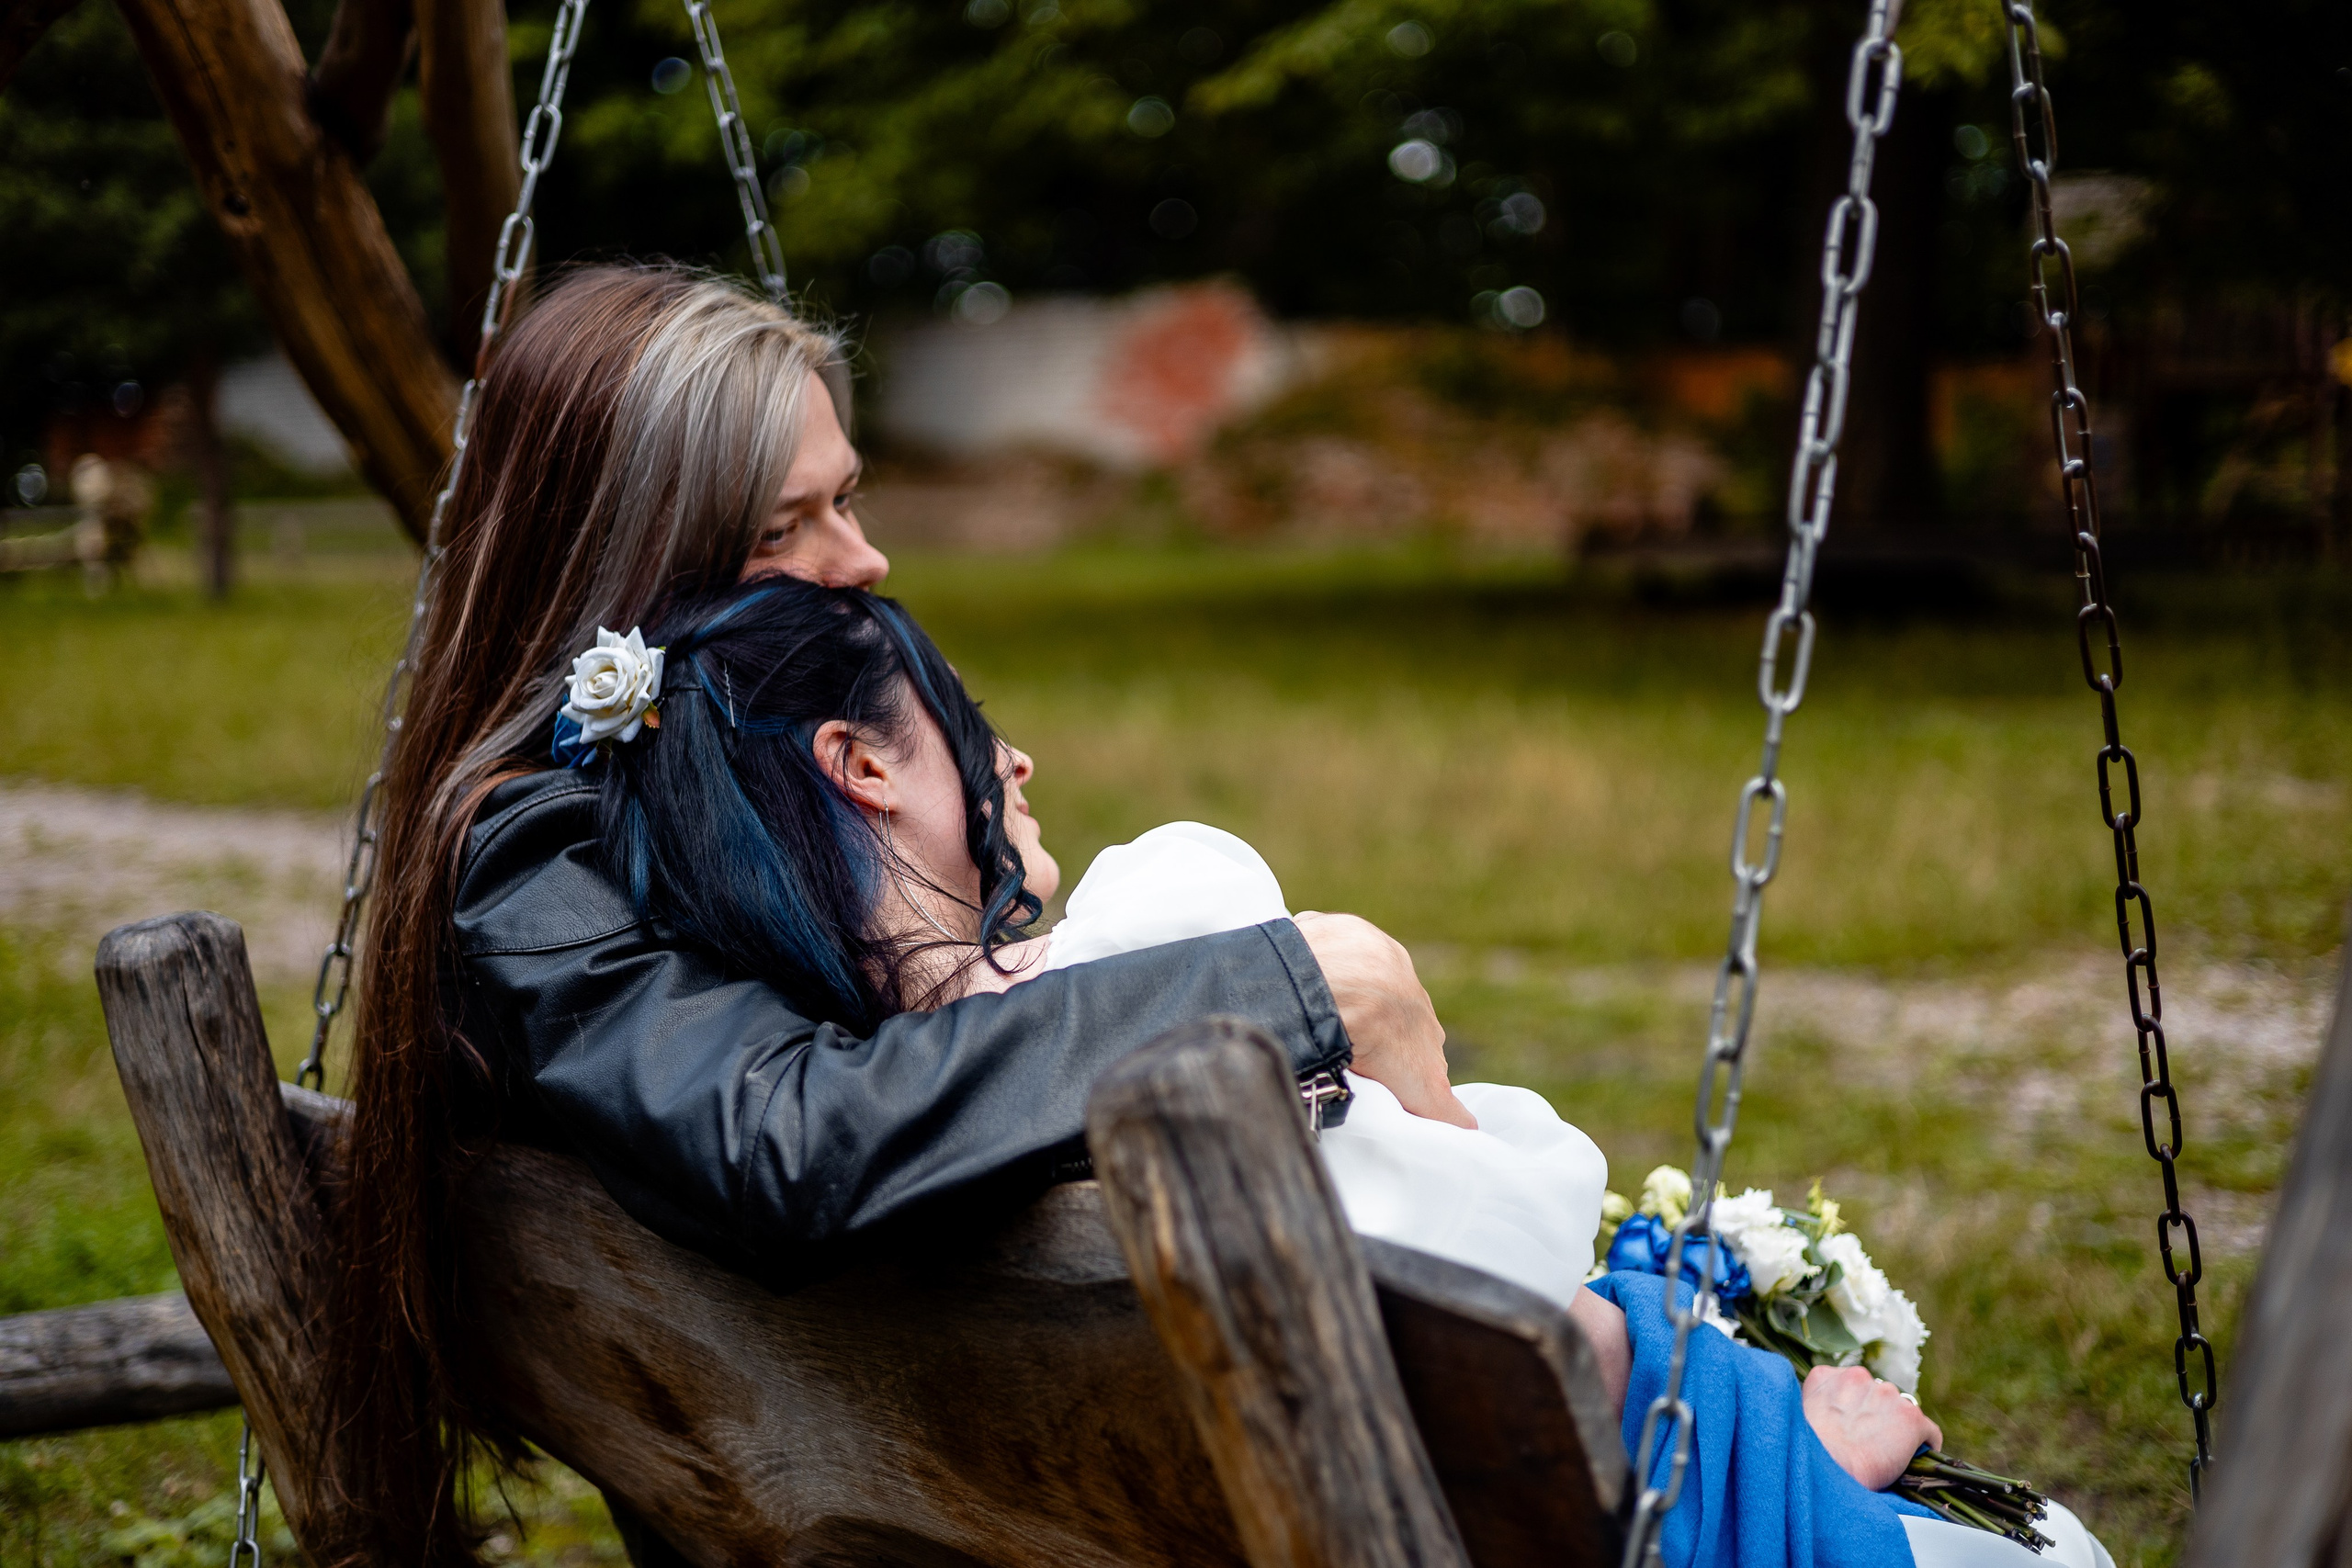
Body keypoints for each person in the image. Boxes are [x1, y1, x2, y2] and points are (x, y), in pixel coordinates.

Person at [329, 264, 1458, 1564]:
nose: (861, 560)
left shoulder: (655, 812)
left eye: (848, 496)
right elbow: (780, 1139)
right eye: (781, 531)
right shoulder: (538, 857)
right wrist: (1296, 983)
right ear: (624, 564)